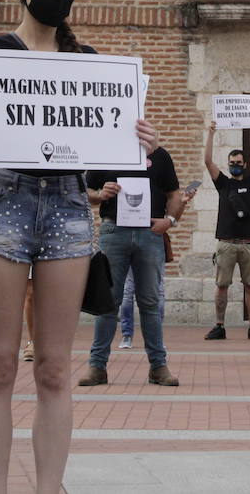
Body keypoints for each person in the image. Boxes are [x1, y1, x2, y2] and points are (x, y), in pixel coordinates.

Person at [0, 0, 159, 494]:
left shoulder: (86, 60)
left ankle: (49, 489)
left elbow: (105, 133)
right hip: (3, 203)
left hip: (68, 207)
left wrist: (140, 142)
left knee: (53, 367)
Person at [79, 146, 184, 387]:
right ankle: (97, 367)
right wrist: (100, 194)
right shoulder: (105, 152)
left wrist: (170, 221)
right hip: (113, 231)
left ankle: (158, 367)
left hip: (150, 233)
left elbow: (174, 194)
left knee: (149, 302)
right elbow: (84, 192)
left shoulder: (159, 155)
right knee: (108, 301)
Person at [202, 119, 250, 341]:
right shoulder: (223, 182)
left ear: (244, 163)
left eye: (238, 161)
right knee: (221, 285)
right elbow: (207, 161)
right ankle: (219, 325)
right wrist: (211, 133)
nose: (235, 164)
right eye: (232, 161)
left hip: (248, 244)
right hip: (225, 242)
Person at [119, 181, 199, 348]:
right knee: (129, 291)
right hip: (131, 239)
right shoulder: (133, 186)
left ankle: (154, 336)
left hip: (153, 240)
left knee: (155, 290)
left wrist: (183, 201)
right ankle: (127, 335)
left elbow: (172, 218)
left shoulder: (158, 186)